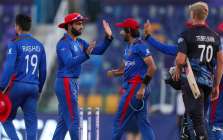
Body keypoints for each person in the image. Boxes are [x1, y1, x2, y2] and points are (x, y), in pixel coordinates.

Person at [52, 12, 113, 140]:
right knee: (74, 119)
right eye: (78, 24)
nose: (81, 26)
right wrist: (85, 54)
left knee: (63, 122)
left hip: (72, 82)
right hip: (65, 81)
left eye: (82, 24)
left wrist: (108, 38)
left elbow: (99, 50)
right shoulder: (63, 43)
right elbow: (68, 63)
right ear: (69, 26)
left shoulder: (80, 42)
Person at [172, 2, 223, 139]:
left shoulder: (186, 35)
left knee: (192, 119)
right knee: (202, 118)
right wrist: (217, 85)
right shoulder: (215, 37)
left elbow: (180, 59)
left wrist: (177, 68)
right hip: (207, 82)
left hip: (192, 82)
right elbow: (221, 62)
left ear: (193, 15)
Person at [107, 18, 156, 140]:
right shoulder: (128, 48)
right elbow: (123, 70)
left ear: (129, 30)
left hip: (136, 87)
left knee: (119, 121)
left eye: (123, 30)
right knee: (144, 123)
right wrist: (114, 73)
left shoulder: (140, 46)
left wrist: (142, 88)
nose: (120, 32)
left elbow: (152, 67)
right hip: (135, 88)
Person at [0, 14, 47, 140]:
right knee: (31, 122)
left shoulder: (15, 43)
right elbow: (43, 71)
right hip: (33, 88)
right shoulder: (39, 45)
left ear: (17, 27)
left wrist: (1, 87)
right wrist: (39, 89)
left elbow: (8, 68)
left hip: (17, 86)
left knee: (5, 117)